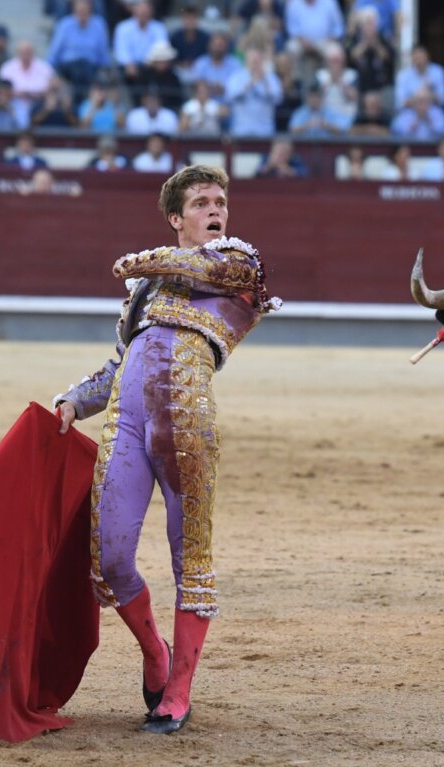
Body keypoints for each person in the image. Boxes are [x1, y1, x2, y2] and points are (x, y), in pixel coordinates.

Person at [53, 165, 280, 733]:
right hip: (128, 425)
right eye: (201, 202)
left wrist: (135, 262)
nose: (215, 210)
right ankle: (155, 651)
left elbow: (199, 266)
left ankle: (179, 687)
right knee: (107, 558)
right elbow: (119, 365)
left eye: (220, 201)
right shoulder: (144, 294)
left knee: (191, 560)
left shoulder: (239, 264)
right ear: (177, 217)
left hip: (186, 425)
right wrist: (74, 402)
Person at [47, 0, 110, 99]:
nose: (82, 14)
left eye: (85, 11)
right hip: (68, 67)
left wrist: (105, 67)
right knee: (78, 70)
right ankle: (80, 101)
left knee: (85, 69)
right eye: (80, 11)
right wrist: (50, 70)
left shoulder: (99, 25)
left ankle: (80, 102)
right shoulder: (65, 25)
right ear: (74, 11)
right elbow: (55, 51)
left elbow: (103, 51)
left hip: (90, 67)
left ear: (90, 11)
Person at [225, 48, 283, 136]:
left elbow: (277, 99)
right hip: (241, 130)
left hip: (265, 131)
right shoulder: (236, 77)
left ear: (262, 59)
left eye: (257, 58)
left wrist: (264, 80)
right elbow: (231, 97)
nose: (255, 62)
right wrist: (250, 83)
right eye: (252, 58)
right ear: (246, 59)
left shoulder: (271, 78)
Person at [0, 41, 56, 128]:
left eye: (28, 52)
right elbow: (2, 90)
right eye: (23, 52)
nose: (26, 55)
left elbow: (52, 88)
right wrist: (18, 94)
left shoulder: (44, 67)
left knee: (49, 106)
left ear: (33, 53)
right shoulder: (7, 67)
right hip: (14, 102)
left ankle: (29, 134)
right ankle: (23, 135)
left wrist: (32, 94)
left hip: (39, 102)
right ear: (17, 53)